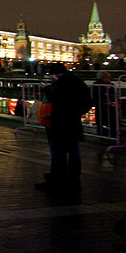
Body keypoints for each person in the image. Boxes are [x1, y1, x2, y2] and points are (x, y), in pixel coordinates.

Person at [35, 63, 92, 193]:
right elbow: (87, 103)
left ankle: (57, 179)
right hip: (73, 122)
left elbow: (56, 97)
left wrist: (47, 89)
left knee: (57, 151)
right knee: (73, 151)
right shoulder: (78, 83)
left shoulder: (60, 85)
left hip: (60, 122)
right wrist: (77, 112)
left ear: (55, 75)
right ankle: (73, 177)